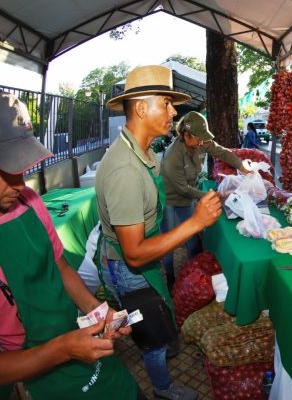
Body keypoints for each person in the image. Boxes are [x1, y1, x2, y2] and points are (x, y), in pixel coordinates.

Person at [0, 91, 140, 399]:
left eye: (22, 169)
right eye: (7, 170)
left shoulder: (31, 202)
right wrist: (63, 349)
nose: (20, 184)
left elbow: (60, 267)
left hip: (77, 340)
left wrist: (97, 310)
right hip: (36, 370)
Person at [96, 65, 222, 400]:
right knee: (151, 334)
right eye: (165, 103)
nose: (173, 112)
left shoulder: (144, 151)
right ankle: (163, 388)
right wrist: (195, 223)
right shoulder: (125, 169)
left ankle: (162, 343)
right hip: (130, 268)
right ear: (140, 108)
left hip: (140, 263)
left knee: (157, 318)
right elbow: (134, 252)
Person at [160, 111, 249, 289]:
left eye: (203, 139)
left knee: (193, 239)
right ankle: (170, 277)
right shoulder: (172, 156)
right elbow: (182, 189)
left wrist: (242, 166)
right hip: (169, 199)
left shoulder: (200, 142)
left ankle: (194, 276)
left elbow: (222, 152)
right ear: (186, 135)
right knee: (168, 243)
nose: (202, 143)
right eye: (199, 139)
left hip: (187, 198)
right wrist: (212, 195)